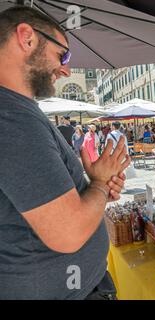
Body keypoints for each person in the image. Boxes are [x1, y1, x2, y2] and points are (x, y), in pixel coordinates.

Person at [0, 6, 129, 299]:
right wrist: (98, 185)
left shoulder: (17, 109)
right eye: (63, 55)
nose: (66, 69)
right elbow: (68, 233)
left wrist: (96, 187)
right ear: (27, 37)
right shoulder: (11, 115)